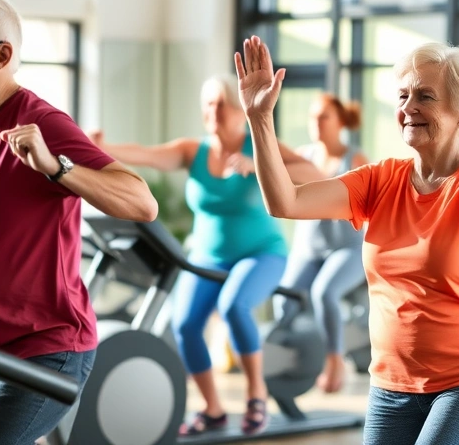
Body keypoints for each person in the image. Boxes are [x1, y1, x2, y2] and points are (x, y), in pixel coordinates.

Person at [0, 0, 158, 445]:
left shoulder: (42, 123)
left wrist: (56, 169)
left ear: (3, 56)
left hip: (43, 350)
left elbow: (142, 202)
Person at [234, 36, 459, 445]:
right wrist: (260, 119)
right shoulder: (380, 179)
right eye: (402, 95)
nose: (408, 107)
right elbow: (286, 201)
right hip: (390, 384)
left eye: (425, 96)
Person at [89, 74, 321, 436]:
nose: (214, 111)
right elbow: (147, 155)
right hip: (209, 256)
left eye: (222, 104)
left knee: (234, 306)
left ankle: (256, 395)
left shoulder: (258, 143)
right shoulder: (192, 151)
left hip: (262, 254)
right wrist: (104, 148)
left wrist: (261, 164)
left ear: (238, 110)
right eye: (209, 104)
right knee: (185, 324)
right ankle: (212, 409)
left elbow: (313, 173)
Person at [273, 92, 368, 394]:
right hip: (309, 250)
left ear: (340, 122)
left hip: (348, 248)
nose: (316, 122)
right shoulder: (305, 155)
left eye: (323, 116)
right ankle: (293, 361)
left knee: (324, 292)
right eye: (313, 116)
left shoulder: (355, 158)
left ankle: (334, 361)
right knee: (283, 299)